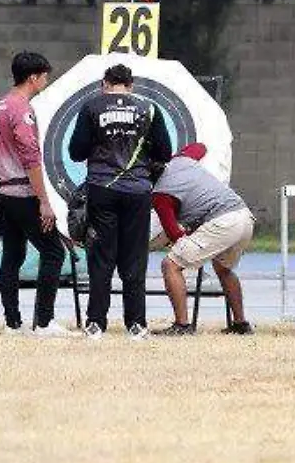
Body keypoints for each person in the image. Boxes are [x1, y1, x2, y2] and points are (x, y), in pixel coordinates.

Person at [69, 64, 172, 340]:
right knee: (134, 258)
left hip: (102, 187)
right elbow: (165, 151)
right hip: (138, 190)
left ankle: (95, 324)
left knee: (102, 257)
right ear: (131, 84)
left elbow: (76, 151)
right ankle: (136, 324)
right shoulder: (148, 109)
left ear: (105, 83)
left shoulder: (92, 107)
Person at [0, 51, 70, 337]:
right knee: (53, 252)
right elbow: (30, 156)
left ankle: (12, 322)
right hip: (23, 192)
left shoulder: (0, 106)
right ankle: (44, 323)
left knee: (12, 255)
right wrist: (44, 202)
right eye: (44, 76)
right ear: (33, 77)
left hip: (4, 192)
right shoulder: (21, 109)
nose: (46, 81)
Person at [150, 143, 254, 336]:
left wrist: (183, 238)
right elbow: (200, 147)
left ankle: (182, 326)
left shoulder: (160, 196)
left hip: (223, 222)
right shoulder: (182, 160)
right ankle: (240, 324)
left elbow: (175, 235)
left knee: (170, 265)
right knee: (223, 268)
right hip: (244, 216)